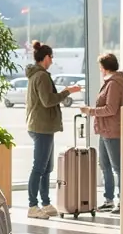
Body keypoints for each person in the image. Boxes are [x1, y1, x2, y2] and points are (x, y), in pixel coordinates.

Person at [25, 41, 82, 218]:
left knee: (46, 167)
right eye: (51, 57)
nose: (52, 60)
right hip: (41, 127)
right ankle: (33, 206)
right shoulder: (41, 76)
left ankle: (46, 203)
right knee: (39, 167)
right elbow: (48, 101)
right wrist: (67, 91)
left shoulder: (36, 75)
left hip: (42, 126)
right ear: (46, 57)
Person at [81, 53, 123, 211]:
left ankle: (122, 201)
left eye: (100, 67)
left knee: (117, 167)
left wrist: (90, 111)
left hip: (112, 131)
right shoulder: (110, 82)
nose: (100, 70)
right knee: (104, 165)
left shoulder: (113, 84)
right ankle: (109, 199)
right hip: (104, 130)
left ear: (104, 67)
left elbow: (111, 109)